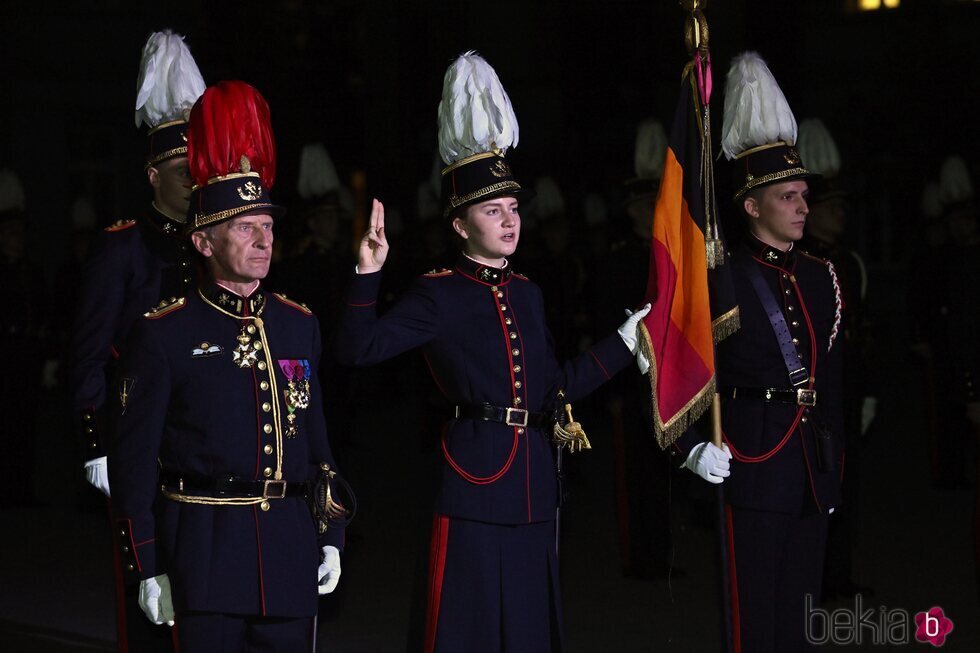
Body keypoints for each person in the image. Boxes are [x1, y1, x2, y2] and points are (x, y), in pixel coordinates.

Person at [337, 52, 649, 652]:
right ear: (459, 224)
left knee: (529, 631)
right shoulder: (438, 293)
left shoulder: (528, 293)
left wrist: (624, 344)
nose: (509, 222)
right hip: (476, 480)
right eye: (491, 211)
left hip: (535, 481)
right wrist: (366, 275)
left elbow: (553, 390)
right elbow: (358, 350)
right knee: (466, 630)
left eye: (512, 210)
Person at [108, 80, 346, 652]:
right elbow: (134, 467)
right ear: (205, 242)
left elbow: (317, 444)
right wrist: (145, 565)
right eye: (246, 228)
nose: (264, 241)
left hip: (289, 557)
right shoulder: (164, 332)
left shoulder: (297, 324)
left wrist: (332, 532)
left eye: (267, 227)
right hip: (205, 563)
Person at [677, 53, 844, 652]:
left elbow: (834, 380)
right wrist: (689, 444)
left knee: (801, 621)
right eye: (788, 196)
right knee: (754, 622)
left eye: (804, 194)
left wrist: (833, 464)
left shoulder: (823, 276)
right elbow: (686, 372)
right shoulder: (721, 277)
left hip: (808, 470)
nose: (803, 206)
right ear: (751, 205)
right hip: (750, 463)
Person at [69, 31, 204, 651]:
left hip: (198, 428)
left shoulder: (211, 241)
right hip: (134, 432)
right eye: (183, 172)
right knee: (148, 590)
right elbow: (91, 351)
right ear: (153, 174)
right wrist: (96, 441)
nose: (195, 183)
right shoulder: (122, 245)